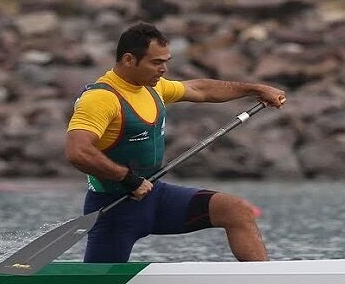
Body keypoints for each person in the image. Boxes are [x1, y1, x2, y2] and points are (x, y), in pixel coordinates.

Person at [66, 22, 286, 263]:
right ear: (129, 60)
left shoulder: (153, 87)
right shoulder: (100, 99)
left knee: (236, 211)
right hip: (114, 208)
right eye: (156, 62)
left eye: (166, 61)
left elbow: (200, 89)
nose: (164, 69)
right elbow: (78, 151)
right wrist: (128, 179)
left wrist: (255, 89)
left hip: (155, 196)